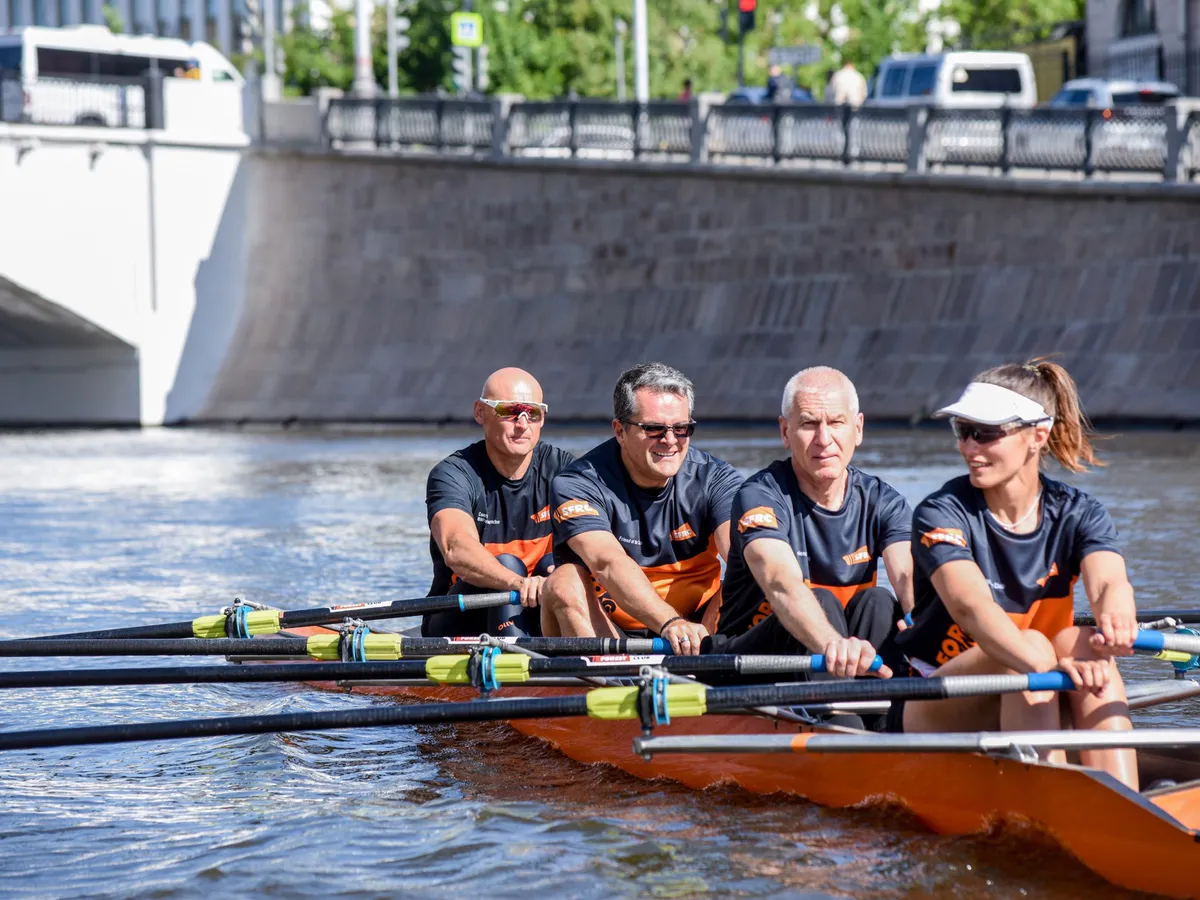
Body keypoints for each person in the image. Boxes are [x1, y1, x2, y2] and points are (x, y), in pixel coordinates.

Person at [886, 359, 1139, 791]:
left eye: (985, 433)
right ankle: (1055, 803)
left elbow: (1109, 581)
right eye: (962, 431)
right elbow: (971, 606)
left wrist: (1115, 625)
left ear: (1037, 436)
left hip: (1040, 679)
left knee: (1087, 648)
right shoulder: (941, 512)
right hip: (932, 700)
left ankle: (1128, 807)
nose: (969, 447)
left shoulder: (1080, 513)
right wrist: (1045, 666)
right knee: (1031, 650)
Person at [709, 367, 910, 679]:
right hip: (749, 664)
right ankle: (846, 717)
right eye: (809, 424)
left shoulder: (884, 501)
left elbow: (909, 576)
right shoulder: (759, 497)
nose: (824, 439)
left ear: (858, 429)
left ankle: (882, 715)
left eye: (836, 423)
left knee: (879, 601)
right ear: (785, 432)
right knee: (820, 601)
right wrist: (835, 647)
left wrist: (924, 621)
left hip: (833, 661)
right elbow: (781, 583)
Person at [540, 363, 744, 656]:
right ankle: (612, 684)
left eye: (681, 428)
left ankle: (706, 665)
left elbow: (741, 556)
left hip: (698, 630)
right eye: (654, 429)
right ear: (620, 431)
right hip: (611, 629)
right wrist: (669, 622)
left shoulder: (717, 479)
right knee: (562, 582)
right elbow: (608, 563)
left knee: (753, 571)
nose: (670, 441)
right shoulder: (577, 484)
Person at [424, 367, 575, 638]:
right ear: (480, 412)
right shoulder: (452, 474)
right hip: (460, 618)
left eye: (533, 413)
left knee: (557, 564)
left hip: (538, 607)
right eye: (510, 411)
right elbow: (456, 548)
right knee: (507, 564)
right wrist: (517, 583)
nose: (522, 424)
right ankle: (515, 671)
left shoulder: (566, 471)